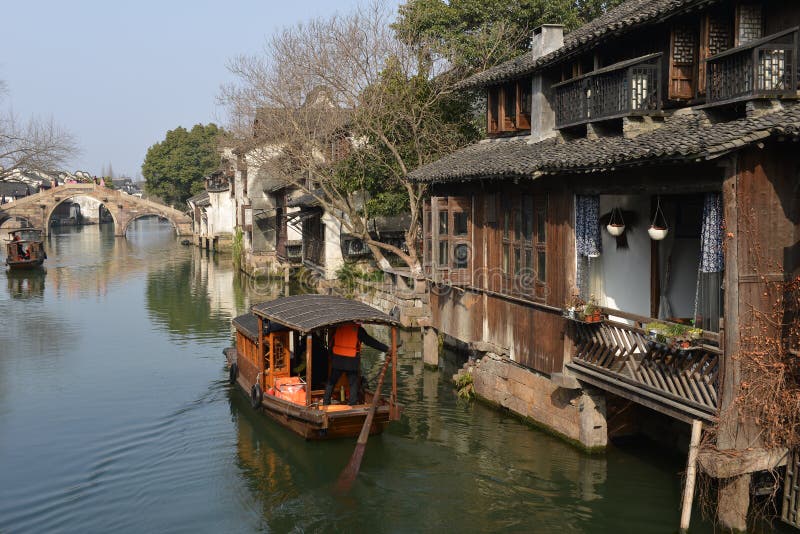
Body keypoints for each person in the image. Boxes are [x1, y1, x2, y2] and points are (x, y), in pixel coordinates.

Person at [323, 322, 388, 406]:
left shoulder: (338, 327)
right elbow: (370, 342)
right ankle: (352, 404)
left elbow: (331, 344)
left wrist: (332, 357)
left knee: (331, 382)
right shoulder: (358, 330)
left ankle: (325, 403)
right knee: (353, 383)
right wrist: (386, 349)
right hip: (351, 361)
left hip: (337, 360)